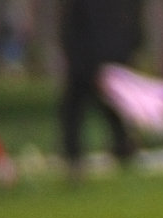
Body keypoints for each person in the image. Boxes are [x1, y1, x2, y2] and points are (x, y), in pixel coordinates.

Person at [58, 0, 142, 176]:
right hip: (94, 59)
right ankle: (121, 144)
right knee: (103, 105)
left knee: (77, 108)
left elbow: (82, 30)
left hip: (88, 61)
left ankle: (75, 153)